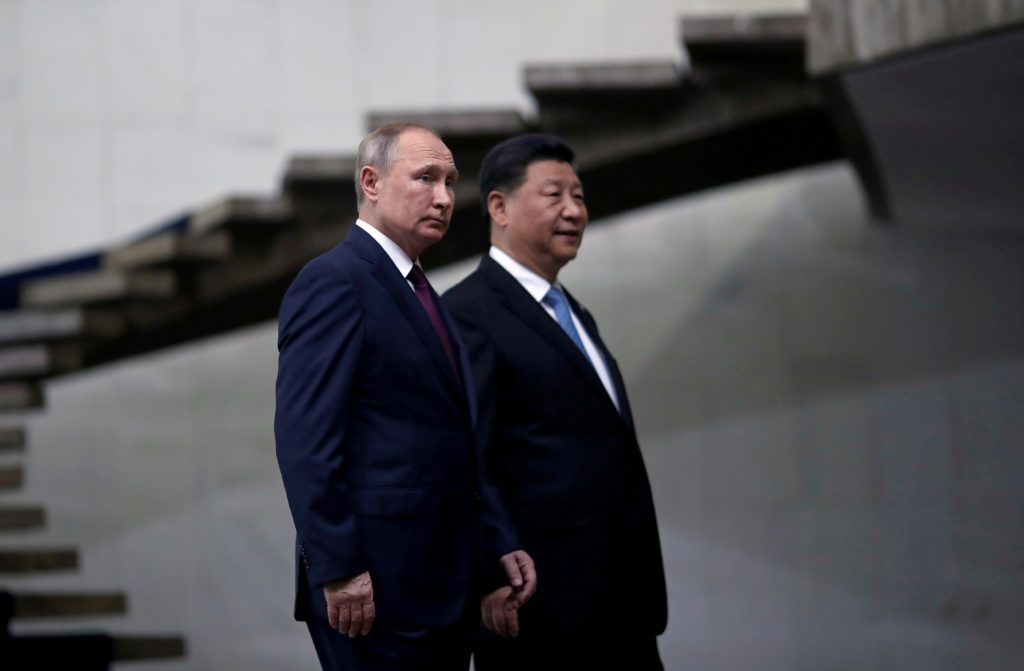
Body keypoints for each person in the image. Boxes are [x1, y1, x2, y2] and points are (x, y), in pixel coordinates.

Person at [275, 122, 535, 671]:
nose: (444, 197)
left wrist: (494, 543)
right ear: (371, 182)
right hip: (373, 591)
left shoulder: (418, 290)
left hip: (440, 584)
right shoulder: (335, 281)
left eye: (449, 181)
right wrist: (339, 567)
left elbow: (451, 438)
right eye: (425, 178)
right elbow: (305, 439)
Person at [442, 134, 668, 670]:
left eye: (580, 197)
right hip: (539, 610)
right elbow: (464, 458)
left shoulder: (573, 314)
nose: (574, 211)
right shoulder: (468, 315)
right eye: (554, 195)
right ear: (499, 206)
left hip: (622, 605)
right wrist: (489, 576)